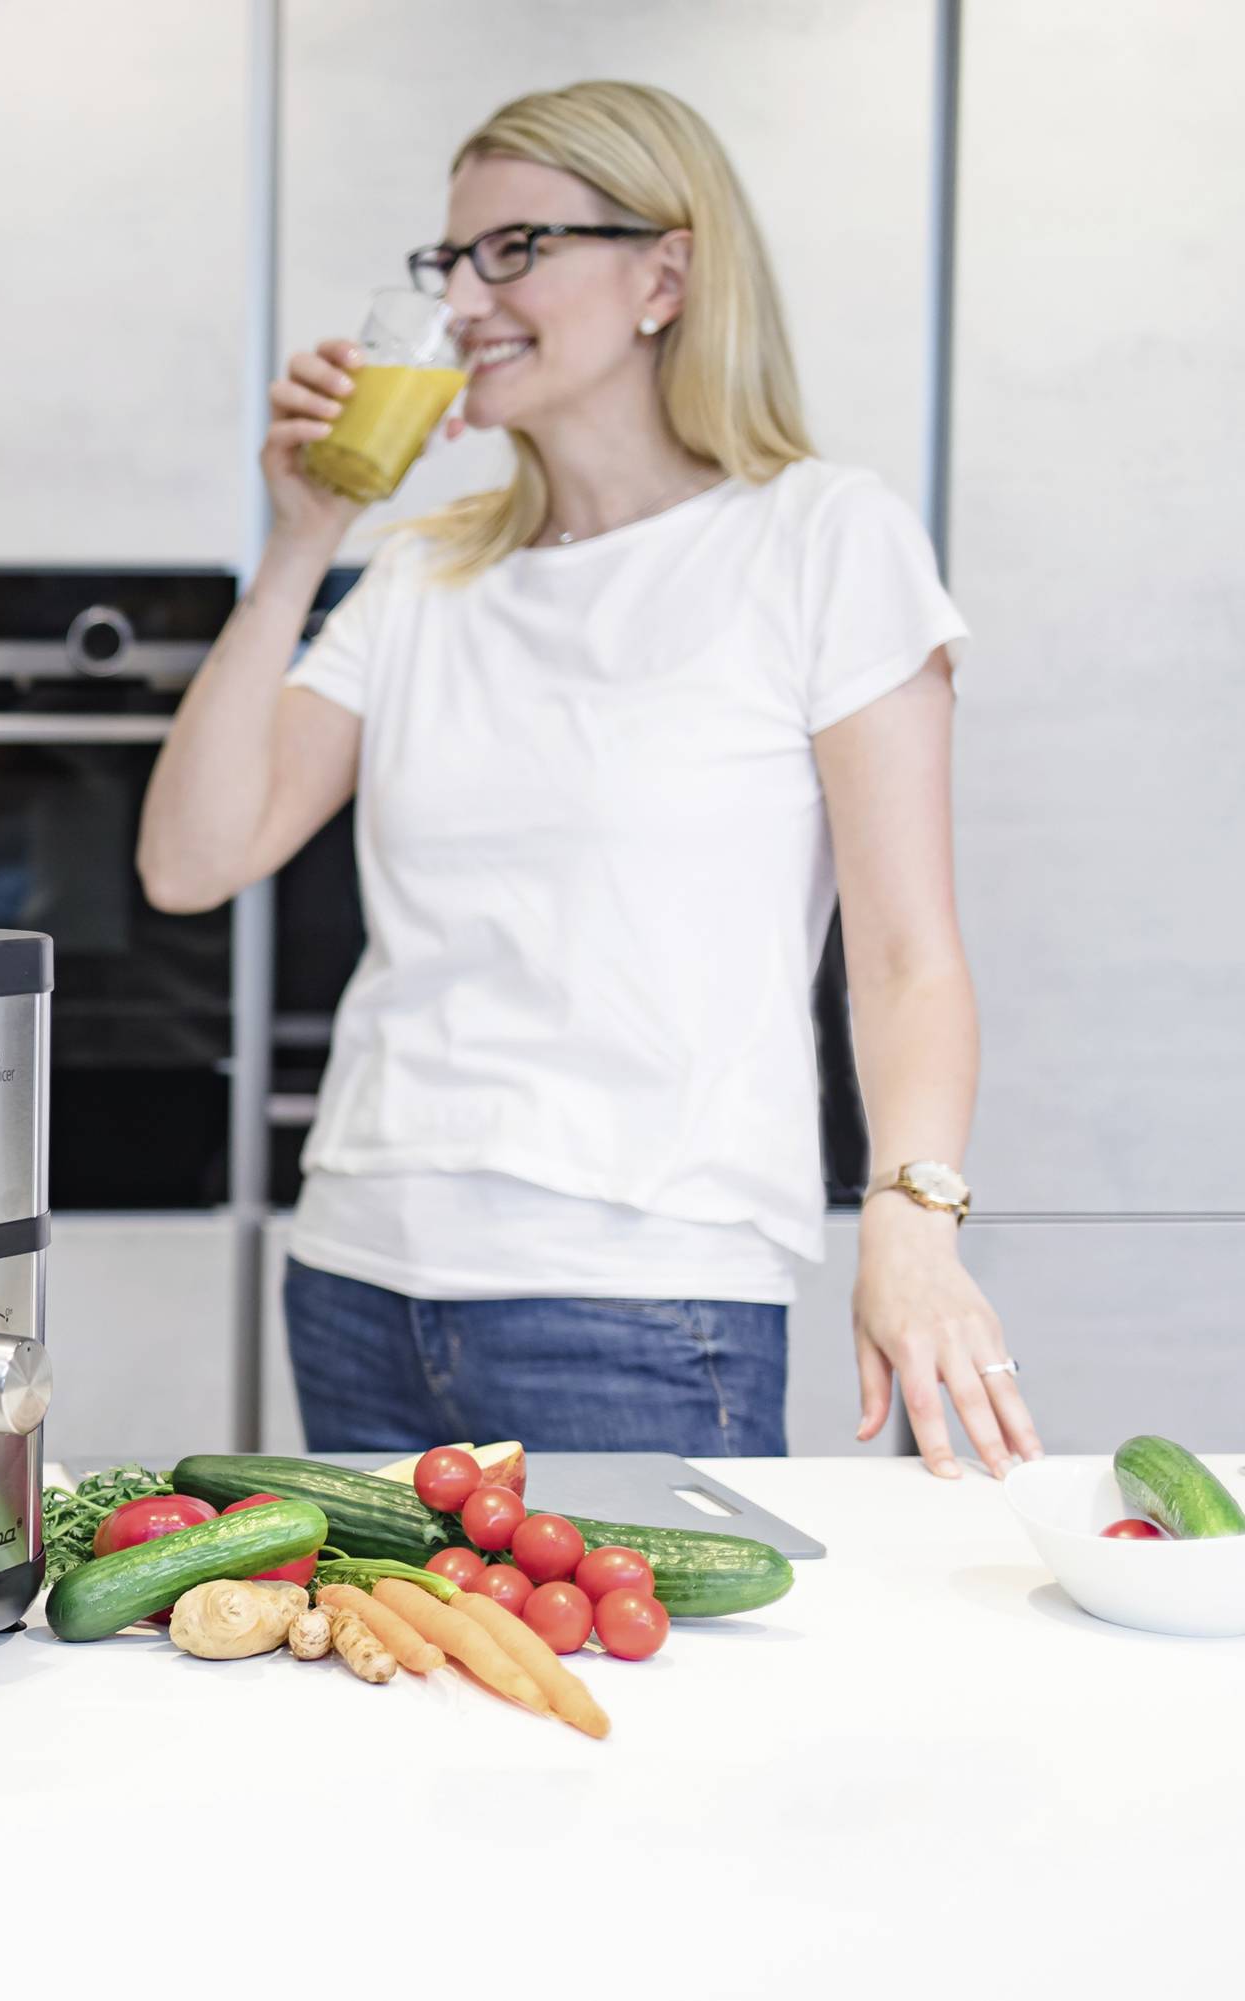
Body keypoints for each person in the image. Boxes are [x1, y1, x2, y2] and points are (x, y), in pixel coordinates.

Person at [139, 80, 1042, 1478]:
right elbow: (189, 861)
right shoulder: (428, 574)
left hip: (641, 1294)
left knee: (658, 1704)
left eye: (515, 251)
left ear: (662, 273)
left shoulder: (820, 538)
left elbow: (909, 953)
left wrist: (913, 1224)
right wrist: (305, 539)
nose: (465, 301)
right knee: (385, 1695)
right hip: (358, 1274)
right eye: (450, 261)